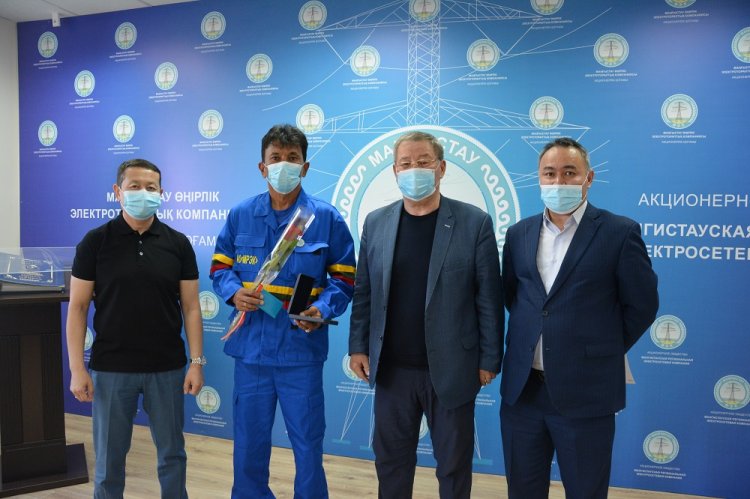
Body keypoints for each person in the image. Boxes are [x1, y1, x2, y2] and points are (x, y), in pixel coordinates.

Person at [500, 137, 659, 499]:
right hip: (523, 392)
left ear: (589, 177)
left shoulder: (619, 232)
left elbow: (643, 305)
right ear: (539, 178)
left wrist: (599, 349)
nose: (559, 181)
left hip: (587, 391)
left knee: (586, 491)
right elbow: (515, 297)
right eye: (549, 173)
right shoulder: (519, 233)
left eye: (569, 172)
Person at [348, 130, 504, 499]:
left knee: (453, 466)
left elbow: (488, 298)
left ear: (441, 168)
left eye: (423, 162)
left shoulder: (474, 222)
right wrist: (358, 346)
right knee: (391, 463)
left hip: (452, 369)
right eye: (405, 164)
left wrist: (489, 359)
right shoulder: (376, 222)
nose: (413, 170)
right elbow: (364, 291)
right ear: (394, 171)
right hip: (392, 371)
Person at [210, 124, 356, 499]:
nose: (284, 165)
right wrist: (233, 292)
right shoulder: (240, 214)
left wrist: (322, 308)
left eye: (292, 158)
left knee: (307, 444)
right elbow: (220, 268)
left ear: (305, 167)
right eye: (276, 158)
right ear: (263, 167)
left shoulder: (325, 218)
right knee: (248, 442)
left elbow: (344, 279)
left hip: (300, 352)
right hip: (251, 351)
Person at [66, 158, 205, 499]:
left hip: (167, 368)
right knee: (109, 462)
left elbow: (191, 307)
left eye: (151, 187)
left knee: (172, 456)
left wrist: (196, 363)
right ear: (118, 191)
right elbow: (78, 307)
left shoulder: (178, 244)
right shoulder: (95, 242)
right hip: (112, 369)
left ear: (161, 193)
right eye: (134, 186)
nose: (143, 192)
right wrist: (77, 369)